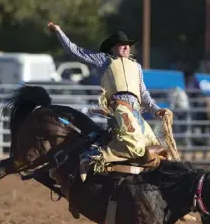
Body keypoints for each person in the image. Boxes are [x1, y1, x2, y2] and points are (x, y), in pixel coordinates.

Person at [48, 23, 168, 175]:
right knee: (135, 146)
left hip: (135, 113)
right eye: (121, 45)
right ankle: (92, 157)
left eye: (128, 45)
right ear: (113, 47)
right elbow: (75, 51)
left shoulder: (136, 66)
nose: (126, 47)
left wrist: (157, 110)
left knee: (154, 145)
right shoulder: (103, 60)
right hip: (119, 109)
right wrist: (59, 31)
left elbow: (143, 94)